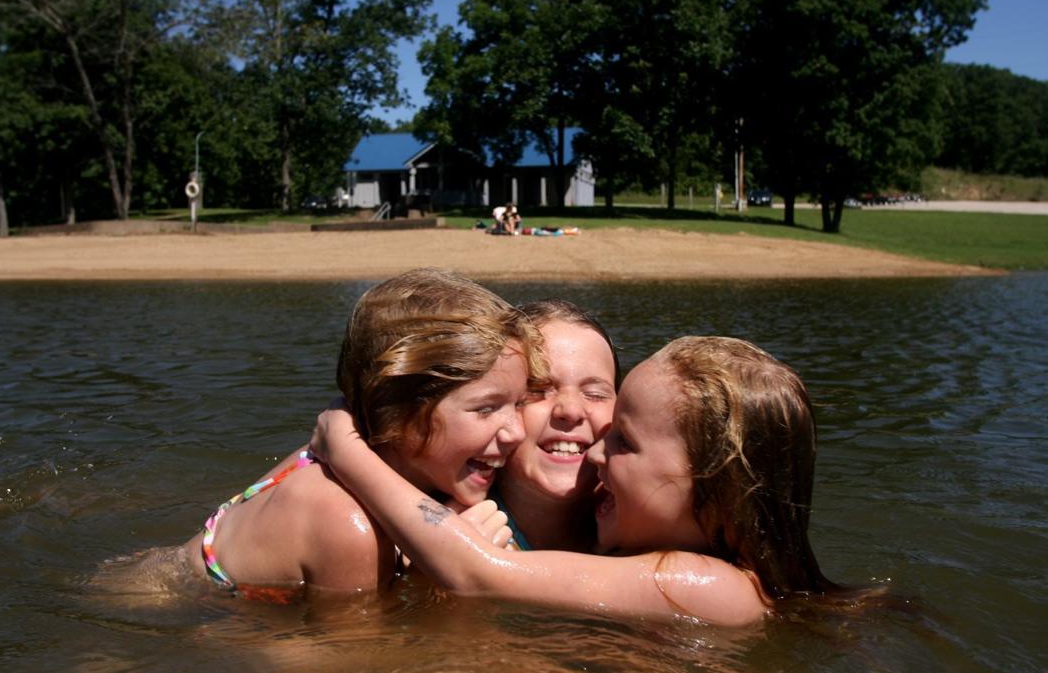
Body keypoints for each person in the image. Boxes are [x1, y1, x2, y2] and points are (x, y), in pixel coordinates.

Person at [311, 336, 842, 627]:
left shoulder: (709, 586)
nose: (596, 451)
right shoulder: (649, 560)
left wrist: (348, 449)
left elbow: (478, 574)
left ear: (718, 492)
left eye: (624, 443)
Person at [180, 268, 545, 599]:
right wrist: (432, 582)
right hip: (182, 611)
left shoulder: (339, 450)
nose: (515, 432)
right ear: (398, 413)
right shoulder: (350, 527)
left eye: (518, 403)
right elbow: (355, 666)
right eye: (486, 408)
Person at [493, 299, 619, 552]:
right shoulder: (437, 535)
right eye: (538, 388)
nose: (570, 411)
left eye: (595, 394)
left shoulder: (648, 527)